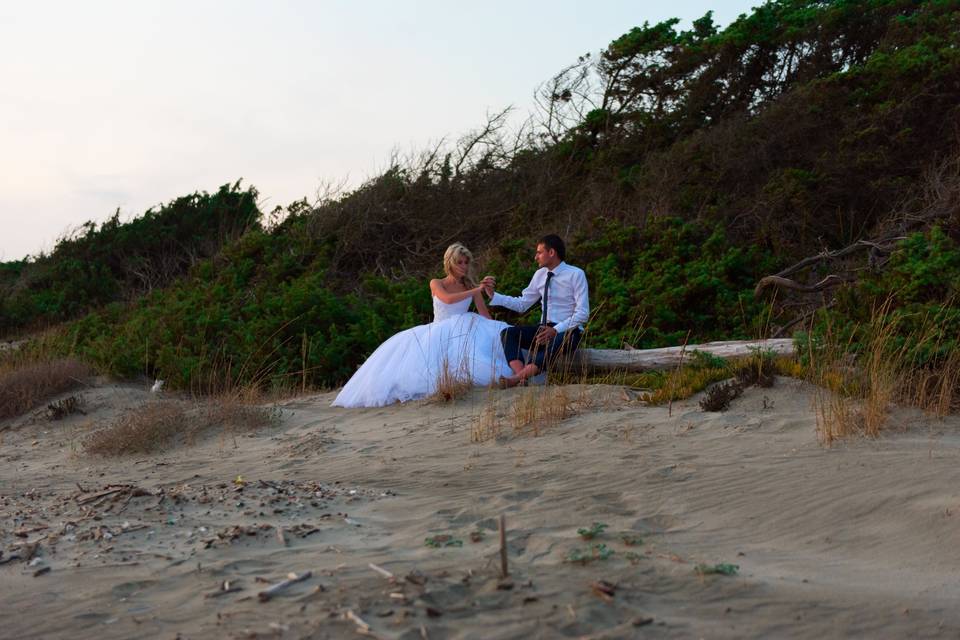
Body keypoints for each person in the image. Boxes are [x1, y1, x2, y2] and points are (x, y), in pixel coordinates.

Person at [332, 243, 511, 407]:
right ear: (450, 263)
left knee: (488, 346)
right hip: (438, 331)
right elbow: (447, 299)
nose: (464, 266)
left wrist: (495, 326)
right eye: (459, 262)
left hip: (466, 329)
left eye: (466, 262)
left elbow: (484, 315)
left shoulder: (471, 286)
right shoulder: (436, 282)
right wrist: (476, 289)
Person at [485, 234, 589, 387]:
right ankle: (522, 378)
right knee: (508, 334)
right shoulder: (539, 275)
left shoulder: (576, 274)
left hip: (568, 331)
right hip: (543, 331)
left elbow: (583, 313)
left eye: (539, 252)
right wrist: (495, 296)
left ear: (551, 252)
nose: (536, 257)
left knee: (557, 342)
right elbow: (522, 304)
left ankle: (515, 379)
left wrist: (555, 330)